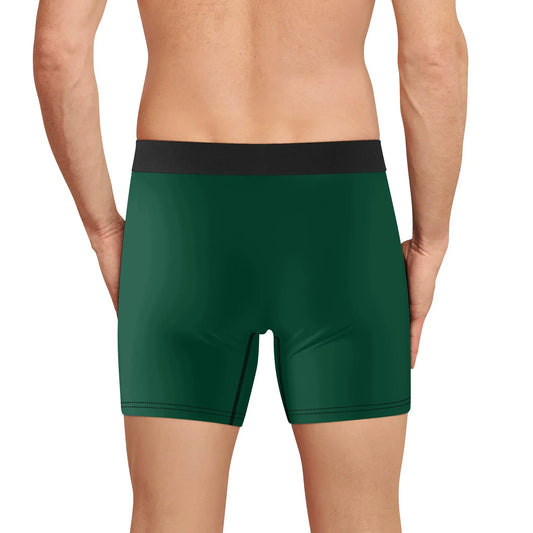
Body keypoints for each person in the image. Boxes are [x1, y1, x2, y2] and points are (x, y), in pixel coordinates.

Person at [33, 0, 468, 531]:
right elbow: (433, 56)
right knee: (363, 516)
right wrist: (430, 242)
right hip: (337, 215)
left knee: (169, 519)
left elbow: (59, 50)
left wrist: (104, 230)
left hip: (180, 214)